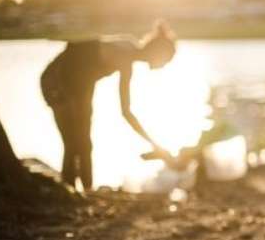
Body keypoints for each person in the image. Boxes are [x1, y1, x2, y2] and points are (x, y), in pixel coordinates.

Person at [40, 20, 176, 190]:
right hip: (57, 81)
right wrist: (155, 145)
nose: (164, 66)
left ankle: (85, 191)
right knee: (74, 143)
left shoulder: (129, 50)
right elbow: (126, 112)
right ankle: (73, 191)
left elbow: (126, 110)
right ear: (158, 52)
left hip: (80, 86)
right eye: (166, 60)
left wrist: (155, 145)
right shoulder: (125, 56)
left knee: (84, 144)